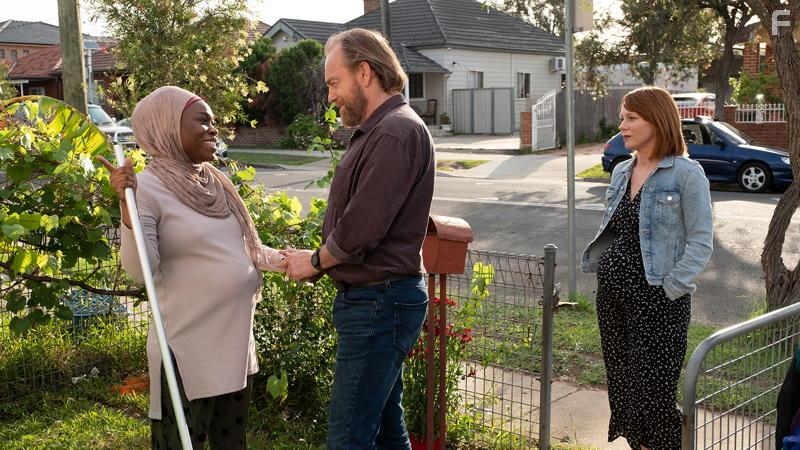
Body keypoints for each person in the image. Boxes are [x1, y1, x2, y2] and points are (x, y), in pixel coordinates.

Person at [98, 86, 284, 450]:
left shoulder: (215, 182)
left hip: (234, 349)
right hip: (187, 355)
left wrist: (304, 260)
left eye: (214, 122)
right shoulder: (147, 188)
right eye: (202, 120)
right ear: (168, 127)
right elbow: (142, 271)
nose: (214, 129)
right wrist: (126, 204)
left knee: (232, 443)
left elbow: (248, 248)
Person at [281, 28, 435, 449]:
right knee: (386, 430)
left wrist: (313, 261)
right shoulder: (386, 128)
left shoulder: (393, 132)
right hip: (378, 301)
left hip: (379, 303)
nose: (330, 97)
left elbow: (361, 228)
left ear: (364, 72)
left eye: (334, 83)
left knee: (349, 436)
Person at [581, 86, 714, 449]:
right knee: (625, 392)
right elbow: (617, 231)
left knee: (655, 399)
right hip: (612, 301)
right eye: (622, 117)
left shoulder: (686, 174)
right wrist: (605, 269)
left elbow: (702, 243)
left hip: (659, 304)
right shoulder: (623, 171)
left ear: (657, 121)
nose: (621, 125)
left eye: (631, 118)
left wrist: (668, 288)